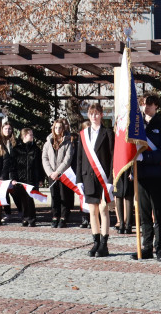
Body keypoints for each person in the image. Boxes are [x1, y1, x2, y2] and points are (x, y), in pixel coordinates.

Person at [132, 94, 161, 262]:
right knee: (143, 213)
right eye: (143, 104)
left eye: (149, 104)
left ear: (156, 105)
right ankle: (147, 247)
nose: (146, 107)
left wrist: (146, 157)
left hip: (157, 174)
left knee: (158, 213)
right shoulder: (137, 126)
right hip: (141, 175)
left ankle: (160, 248)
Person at [77, 102, 114, 257]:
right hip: (88, 177)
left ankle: (104, 244)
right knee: (92, 211)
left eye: (97, 113)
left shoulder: (108, 133)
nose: (94, 116)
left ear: (102, 115)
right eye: (91, 113)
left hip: (103, 178)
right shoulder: (83, 134)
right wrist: (79, 179)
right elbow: (79, 158)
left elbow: (113, 158)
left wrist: (111, 180)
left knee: (103, 210)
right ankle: (96, 242)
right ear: (88, 115)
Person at [43, 119, 75, 228]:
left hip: (62, 174)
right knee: (54, 196)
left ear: (63, 129)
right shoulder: (48, 142)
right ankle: (55, 216)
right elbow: (45, 158)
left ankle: (63, 217)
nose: (58, 129)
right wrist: (51, 172)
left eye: (60, 127)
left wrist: (58, 172)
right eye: (56, 127)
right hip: (51, 174)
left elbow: (67, 159)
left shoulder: (68, 142)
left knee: (64, 196)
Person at [12, 127, 42, 226]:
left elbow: (39, 165)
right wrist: (13, 178)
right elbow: (12, 165)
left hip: (32, 178)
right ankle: (24, 218)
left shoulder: (36, 149)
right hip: (20, 178)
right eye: (30, 135)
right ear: (25, 136)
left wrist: (41, 178)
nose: (32, 136)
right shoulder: (16, 149)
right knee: (21, 198)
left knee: (29, 198)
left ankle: (31, 218)